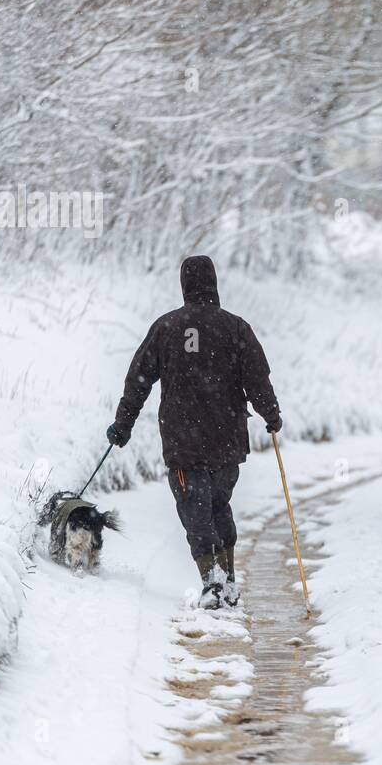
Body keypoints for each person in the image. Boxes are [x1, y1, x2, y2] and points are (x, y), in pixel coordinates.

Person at [106, 255, 282, 609]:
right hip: (227, 439)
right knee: (218, 504)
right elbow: (257, 379)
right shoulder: (235, 328)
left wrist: (123, 424)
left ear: (184, 284)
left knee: (195, 508)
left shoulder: (167, 327)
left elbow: (138, 379)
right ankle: (226, 579)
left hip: (182, 440)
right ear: (214, 284)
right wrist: (271, 414)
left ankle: (213, 581)